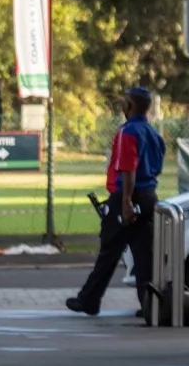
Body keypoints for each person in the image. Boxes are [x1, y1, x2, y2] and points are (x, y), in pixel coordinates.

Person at [67, 86, 166, 318]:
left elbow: (127, 169)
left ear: (130, 106)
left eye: (125, 102)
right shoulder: (153, 134)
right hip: (149, 196)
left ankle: (89, 300)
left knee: (110, 249)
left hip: (128, 197)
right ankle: (150, 305)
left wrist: (126, 201)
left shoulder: (128, 132)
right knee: (145, 254)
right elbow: (157, 167)